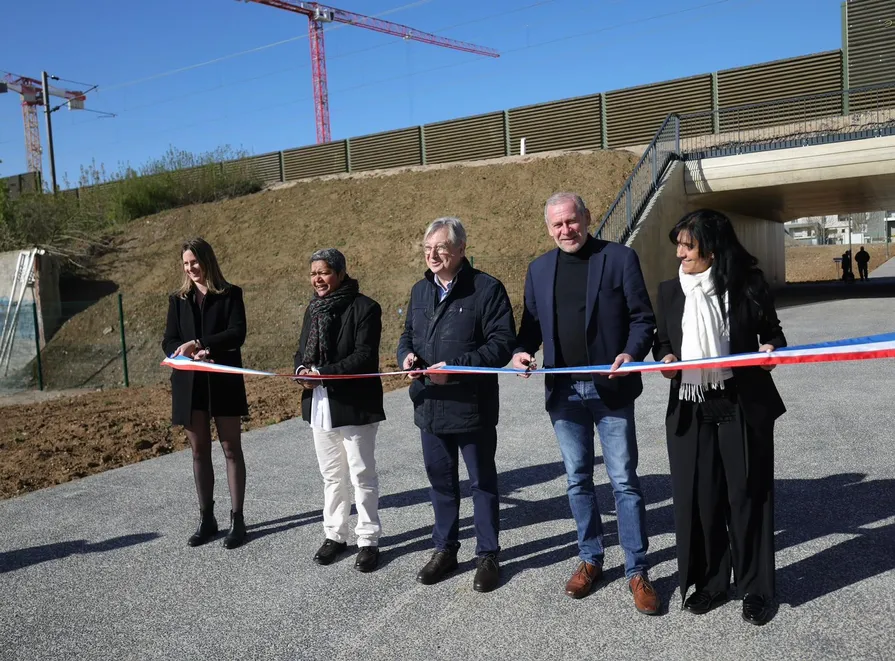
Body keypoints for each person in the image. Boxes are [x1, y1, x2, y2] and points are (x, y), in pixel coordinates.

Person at [512, 192, 659, 615]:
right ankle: (591, 559)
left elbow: (642, 319)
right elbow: (531, 328)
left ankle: (637, 569)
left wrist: (632, 353)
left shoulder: (618, 259)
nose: (565, 230)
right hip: (564, 393)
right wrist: (522, 351)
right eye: (557, 225)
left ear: (587, 218)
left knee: (623, 481)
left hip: (609, 389)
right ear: (548, 228)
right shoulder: (539, 270)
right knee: (577, 479)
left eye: (571, 221)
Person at [653, 209, 786, 626]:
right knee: (702, 497)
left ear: (712, 248)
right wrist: (667, 358)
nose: (679, 253)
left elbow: (773, 334)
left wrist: (771, 352)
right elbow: (661, 342)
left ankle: (757, 588)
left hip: (740, 400)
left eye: (687, 245)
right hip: (691, 404)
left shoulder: (748, 285)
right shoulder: (669, 291)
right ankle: (712, 582)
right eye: (678, 244)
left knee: (747, 496)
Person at [397, 217, 516, 593]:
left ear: (461, 249)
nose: (432, 255)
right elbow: (406, 336)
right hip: (430, 404)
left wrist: (458, 368)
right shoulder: (420, 290)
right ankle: (445, 549)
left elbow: (501, 345)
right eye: (427, 248)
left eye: (441, 248)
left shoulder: (486, 289)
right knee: (441, 483)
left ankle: (488, 555)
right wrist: (407, 358)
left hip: (471, 404)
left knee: (482, 483)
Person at [293, 248, 386, 573]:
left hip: (354, 404)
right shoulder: (313, 309)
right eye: (314, 273)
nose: (318, 279)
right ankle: (335, 535)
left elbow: (363, 356)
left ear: (341, 273)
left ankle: (368, 540)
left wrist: (323, 374)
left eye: (325, 272)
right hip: (320, 406)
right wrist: (303, 371)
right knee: (332, 476)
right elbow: (301, 351)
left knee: (362, 475)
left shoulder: (366, 308)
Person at [163, 237, 249, 549]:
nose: (190, 269)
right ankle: (206, 518)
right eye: (186, 264)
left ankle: (237, 520)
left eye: (195, 262)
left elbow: (237, 333)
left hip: (223, 381)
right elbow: (169, 339)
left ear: (207, 261)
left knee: (230, 449)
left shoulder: (230, 294)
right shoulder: (178, 299)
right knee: (199, 452)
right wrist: (183, 352)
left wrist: (202, 344)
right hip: (190, 384)